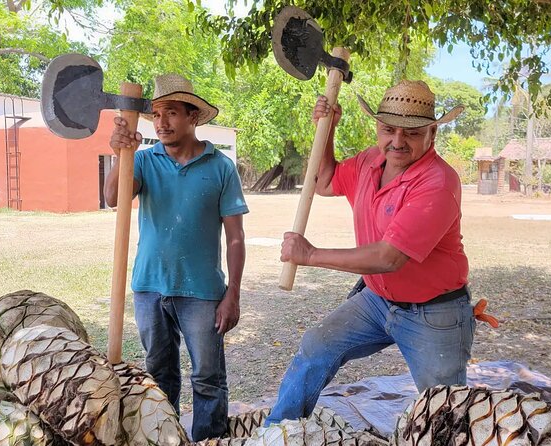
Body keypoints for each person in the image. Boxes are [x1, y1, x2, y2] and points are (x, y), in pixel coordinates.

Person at [265, 79, 475, 425]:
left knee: (444, 412)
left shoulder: (439, 182)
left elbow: (388, 258)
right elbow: (324, 182)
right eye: (388, 129)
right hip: (377, 300)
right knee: (316, 347)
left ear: (432, 134)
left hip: (434, 313)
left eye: (411, 133)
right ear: (377, 128)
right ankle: (277, 433)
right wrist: (327, 129)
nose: (397, 141)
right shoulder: (369, 162)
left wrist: (311, 255)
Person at [105, 73, 249, 441]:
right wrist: (118, 152)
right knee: (158, 374)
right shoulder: (143, 161)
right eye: (155, 114)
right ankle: (164, 437)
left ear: (193, 117)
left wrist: (232, 294)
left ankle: (208, 438)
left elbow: (235, 238)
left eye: (171, 113)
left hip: (201, 292)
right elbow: (113, 198)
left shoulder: (220, 168)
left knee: (208, 378)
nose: (161, 122)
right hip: (149, 287)